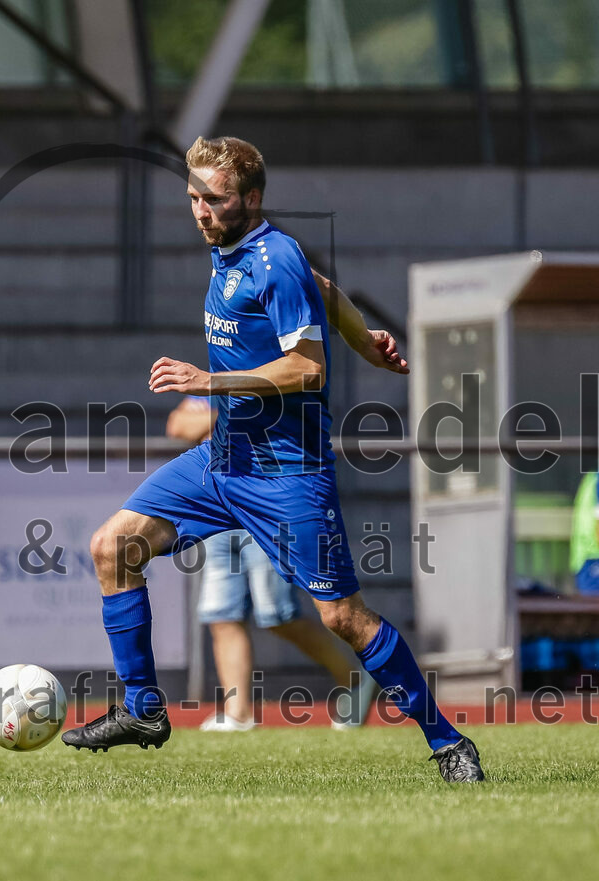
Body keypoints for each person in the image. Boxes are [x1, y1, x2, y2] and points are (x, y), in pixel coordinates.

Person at [62, 136, 485, 783]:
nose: (202, 210)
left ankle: (448, 740)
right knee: (112, 547)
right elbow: (321, 286)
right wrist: (364, 338)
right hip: (222, 460)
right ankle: (144, 709)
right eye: (194, 197)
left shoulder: (274, 255)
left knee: (342, 616)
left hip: (286, 471)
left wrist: (209, 381)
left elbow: (306, 369)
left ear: (252, 198)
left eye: (215, 198)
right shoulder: (230, 251)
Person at [166, 395, 376, 732]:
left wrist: (214, 420)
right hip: (218, 513)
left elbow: (268, 422)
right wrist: (229, 417)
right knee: (220, 614)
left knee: (277, 614)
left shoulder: (268, 382)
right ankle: (238, 713)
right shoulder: (212, 383)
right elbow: (178, 425)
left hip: (265, 509)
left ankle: (354, 679)